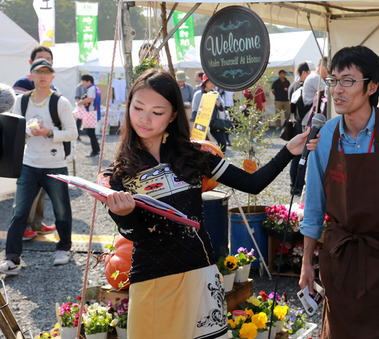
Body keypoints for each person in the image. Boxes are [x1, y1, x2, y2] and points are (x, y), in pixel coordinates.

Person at [99, 69, 316, 337]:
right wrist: (124, 215)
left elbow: (252, 183)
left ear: (173, 115)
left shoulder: (194, 155)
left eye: (157, 112)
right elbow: (136, 235)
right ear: (128, 105)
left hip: (199, 273)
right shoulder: (119, 172)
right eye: (138, 108)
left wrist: (287, 151)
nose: (145, 119)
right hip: (150, 280)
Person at [299, 46, 379, 338]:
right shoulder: (325, 135)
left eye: (347, 80)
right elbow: (314, 209)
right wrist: (307, 263)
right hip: (340, 264)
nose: (337, 90)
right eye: (333, 80)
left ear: (371, 86)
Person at [0, 59, 78, 275]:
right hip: (29, 163)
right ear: (31, 76)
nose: (42, 75)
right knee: (19, 212)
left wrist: (49, 133)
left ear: (52, 77)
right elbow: (15, 127)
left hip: (55, 164)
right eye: (38, 72)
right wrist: (25, 132)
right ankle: (12, 259)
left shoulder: (60, 103)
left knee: (61, 209)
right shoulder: (22, 101)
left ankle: (63, 248)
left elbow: (73, 133)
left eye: (47, 72)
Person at [12, 45, 58, 240]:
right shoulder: (22, 83)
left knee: (40, 189)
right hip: (26, 147)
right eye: (40, 59)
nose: (44, 64)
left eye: (48, 60)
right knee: (27, 189)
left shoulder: (52, 87)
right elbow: (16, 115)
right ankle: (24, 227)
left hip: (46, 148)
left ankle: (37, 223)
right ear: (31, 64)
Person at [288, 61, 310, 195]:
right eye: (308, 73)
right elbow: (301, 108)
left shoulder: (292, 86)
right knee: (301, 157)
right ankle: (299, 185)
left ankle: (293, 184)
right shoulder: (302, 87)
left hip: (294, 123)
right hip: (300, 124)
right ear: (303, 73)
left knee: (294, 157)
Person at [77, 74, 101, 157]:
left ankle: (95, 151)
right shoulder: (96, 88)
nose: (82, 83)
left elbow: (90, 99)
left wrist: (81, 102)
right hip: (94, 112)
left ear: (88, 81)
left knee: (90, 133)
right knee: (91, 132)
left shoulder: (91, 88)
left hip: (91, 113)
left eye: (83, 81)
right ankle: (97, 149)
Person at [301, 57, 328, 126]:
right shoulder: (316, 78)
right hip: (310, 118)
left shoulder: (313, 76)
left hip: (309, 116)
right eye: (327, 69)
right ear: (321, 67)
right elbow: (328, 93)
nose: (328, 73)